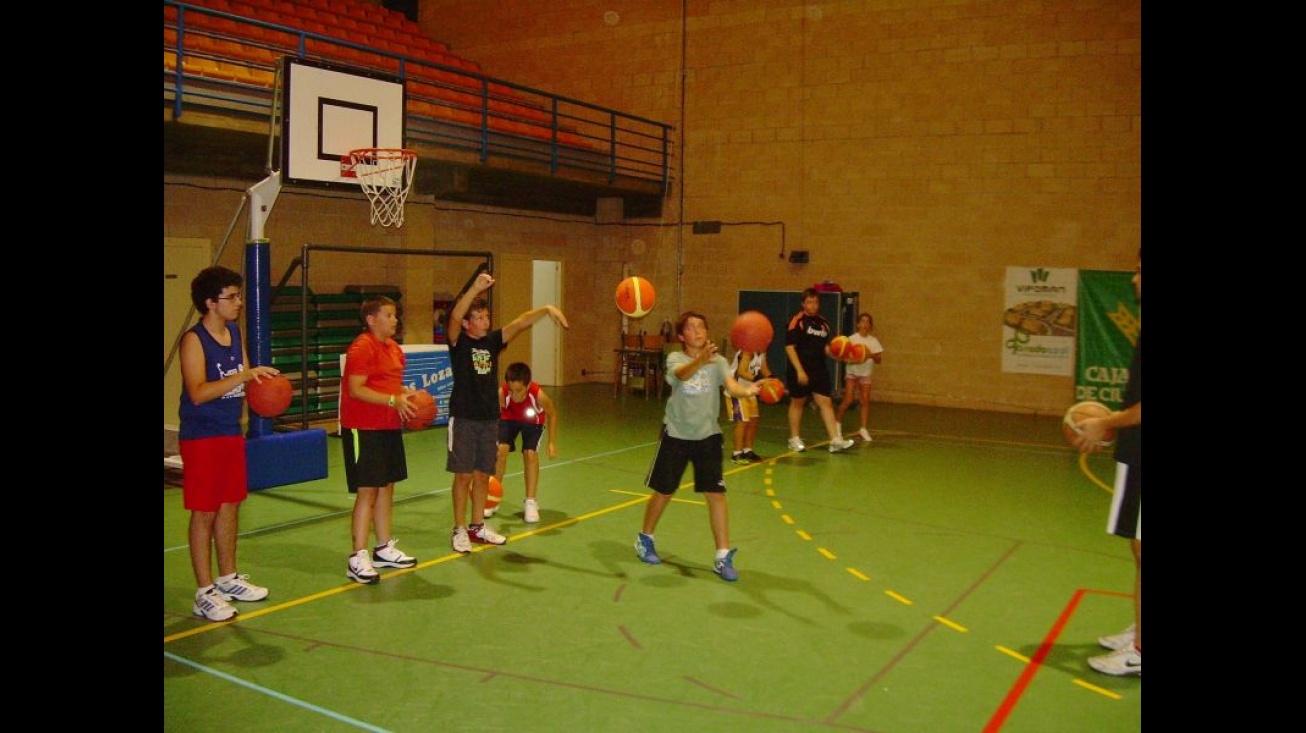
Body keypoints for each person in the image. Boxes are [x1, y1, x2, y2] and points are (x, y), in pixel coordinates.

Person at [179, 266, 279, 621]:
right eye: (231, 296)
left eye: (239, 295)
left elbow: (248, 383)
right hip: (201, 436)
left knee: (230, 506)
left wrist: (267, 387)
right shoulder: (194, 340)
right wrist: (244, 375)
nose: (238, 302)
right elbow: (199, 392)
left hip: (230, 433)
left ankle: (227, 578)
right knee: (204, 512)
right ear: (210, 302)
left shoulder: (235, 332)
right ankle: (204, 592)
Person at [446, 271, 569, 553]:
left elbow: (520, 323)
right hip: (464, 418)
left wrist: (547, 309)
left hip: (490, 419)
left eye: (487, 317)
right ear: (467, 323)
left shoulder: (491, 342)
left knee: (481, 475)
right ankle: (459, 529)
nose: (486, 321)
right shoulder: (459, 343)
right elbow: (453, 318)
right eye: (479, 317)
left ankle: (477, 526)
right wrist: (474, 287)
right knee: (462, 476)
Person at [634, 311, 760, 582]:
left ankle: (722, 556)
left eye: (701, 326)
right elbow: (681, 375)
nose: (698, 331)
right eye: (691, 328)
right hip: (676, 434)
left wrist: (748, 391)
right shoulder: (675, 358)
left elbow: (731, 385)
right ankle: (645, 538)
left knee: (716, 495)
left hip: (707, 436)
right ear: (682, 336)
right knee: (664, 491)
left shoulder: (719, 361)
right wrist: (702, 360)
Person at [1073, 254, 1142, 677]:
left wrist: (1105, 422)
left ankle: (1138, 650)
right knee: (1137, 548)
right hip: (1134, 450)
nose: (1134, 279)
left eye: (1140, 272)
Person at [339, 295, 420, 585]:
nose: (395, 320)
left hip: (387, 426)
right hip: (364, 428)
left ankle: (384, 547)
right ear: (372, 320)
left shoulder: (395, 350)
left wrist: (405, 394)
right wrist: (391, 399)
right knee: (368, 491)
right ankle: (357, 556)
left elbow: (391, 385)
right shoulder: (362, 347)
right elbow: (356, 389)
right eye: (389, 315)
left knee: (387, 487)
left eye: (395, 315)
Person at [784, 288, 855, 454]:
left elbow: (825, 347)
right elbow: (789, 347)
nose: (813, 305)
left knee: (826, 402)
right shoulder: (797, 321)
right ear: (803, 304)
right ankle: (794, 439)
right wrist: (800, 371)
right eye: (809, 302)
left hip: (819, 369)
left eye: (815, 302)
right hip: (800, 369)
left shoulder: (824, 323)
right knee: (798, 402)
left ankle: (835, 440)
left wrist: (839, 357)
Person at [489, 361, 559, 524]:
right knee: (501, 451)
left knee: (530, 454)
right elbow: (494, 415)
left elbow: (553, 414)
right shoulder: (502, 393)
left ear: (528, 386)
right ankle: (493, 496)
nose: (514, 395)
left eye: (519, 391)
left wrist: (552, 443)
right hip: (509, 418)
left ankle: (530, 501)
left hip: (532, 421)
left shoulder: (539, 395)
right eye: (511, 390)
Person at [834, 313, 884, 443]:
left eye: (868, 322)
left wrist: (869, 355)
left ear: (870, 325)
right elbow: (843, 357)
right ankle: (837, 423)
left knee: (865, 401)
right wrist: (854, 359)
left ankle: (863, 429)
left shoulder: (873, 341)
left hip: (865, 374)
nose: (865, 324)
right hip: (852, 373)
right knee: (848, 399)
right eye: (862, 321)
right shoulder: (851, 339)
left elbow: (879, 359)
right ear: (858, 324)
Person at [724, 347, 773, 464]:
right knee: (743, 421)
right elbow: (741, 372)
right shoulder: (747, 351)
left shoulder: (761, 351)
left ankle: (748, 450)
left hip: (749, 390)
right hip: (736, 390)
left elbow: (764, 369)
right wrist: (758, 379)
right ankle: (736, 453)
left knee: (754, 419)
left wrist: (772, 380)